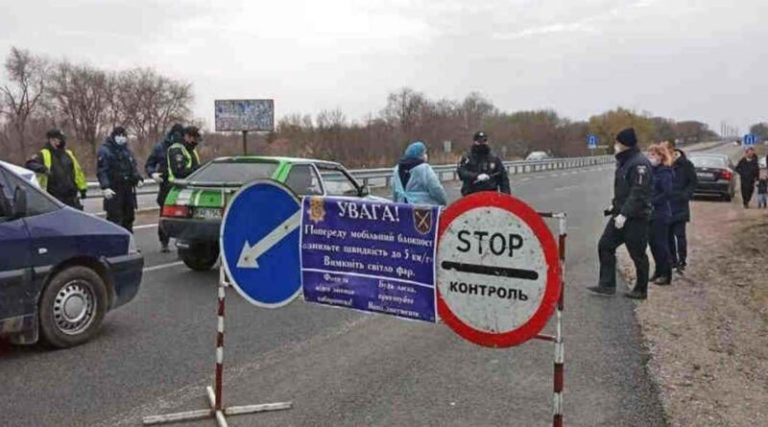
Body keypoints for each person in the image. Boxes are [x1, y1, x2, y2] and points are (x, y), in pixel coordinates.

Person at [588, 128, 653, 300]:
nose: (615, 145)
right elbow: (624, 190)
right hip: (619, 216)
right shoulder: (624, 162)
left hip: (636, 218)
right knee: (605, 245)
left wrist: (624, 214)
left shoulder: (639, 164)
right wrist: (614, 206)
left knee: (637, 254)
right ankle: (607, 284)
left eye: (617, 142)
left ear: (625, 144)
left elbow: (638, 193)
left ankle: (641, 289)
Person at [25, 129, 87, 209]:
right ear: (51, 140)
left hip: (71, 196)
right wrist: (43, 169)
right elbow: (30, 163)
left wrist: (82, 189)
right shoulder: (44, 153)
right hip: (54, 197)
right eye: (59, 139)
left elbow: (77, 172)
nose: (61, 141)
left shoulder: (68, 154)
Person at [97, 127, 144, 232]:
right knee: (115, 219)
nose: (121, 138)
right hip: (114, 189)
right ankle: (115, 246)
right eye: (119, 136)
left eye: (123, 136)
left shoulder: (127, 151)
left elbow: (133, 168)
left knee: (129, 218)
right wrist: (105, 187)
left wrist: (137, 179)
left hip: (128, 190)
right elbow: (102, 171)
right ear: (113, 136)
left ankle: (129, 245)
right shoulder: (106, 150)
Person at [146, 123, 184, 252]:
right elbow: (149, 164)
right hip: (166, 184)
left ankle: (182, 244)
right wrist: (153, 173)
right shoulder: (161, 147)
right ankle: (164, 241)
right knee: (164, 214)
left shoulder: (183, 147)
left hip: (181, 185)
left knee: (183, 214)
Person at [662, 140, 698, 273]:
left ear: (671, 149)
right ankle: (672, 260)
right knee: (667, 235)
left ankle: (682, 260)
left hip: (680, 204)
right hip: (666, 205)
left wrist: (685, 195)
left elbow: (693, 182)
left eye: (664, 148)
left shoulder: (685, 164)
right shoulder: (664, 163)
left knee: (680, 235)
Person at [646, 144, 674, 285]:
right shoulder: (651, 171)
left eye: (654, 155)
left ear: (661, 156)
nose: (651, 157)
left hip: (661, 213)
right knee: (653, 244)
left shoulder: (665, 172)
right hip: (650, 214)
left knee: (661, 244)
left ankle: (666, 273)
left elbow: (667, 193)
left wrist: (652, 201)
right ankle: (658, 270)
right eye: (650, 154)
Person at [391, 141, 447, 206]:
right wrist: (443, 201)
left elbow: (395, 191)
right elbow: (435, 188)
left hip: (402, 206)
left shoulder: (397, 169)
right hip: (421, 208)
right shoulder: (424, 169)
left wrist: (395, 205)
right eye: (424, 153)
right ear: (420, 155)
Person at [457, 131, 510, 196]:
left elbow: (503, 178)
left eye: (484, 141)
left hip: (490, 193)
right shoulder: (467, 157)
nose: (482, 143)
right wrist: (476, 176)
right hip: (471, 193)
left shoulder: (494, 158)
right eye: (479, 141)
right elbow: (461, 172)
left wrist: (506, 196)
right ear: (475, 142)